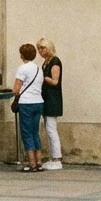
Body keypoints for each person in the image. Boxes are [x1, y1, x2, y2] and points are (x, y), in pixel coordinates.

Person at [13, 43, 46, 172]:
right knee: (35, 131)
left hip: (26, 102)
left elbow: (16, 89)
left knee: (26, 132)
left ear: (22, 55)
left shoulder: (23, 68)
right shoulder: (39, 68)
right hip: (39, 101)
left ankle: (31, 163)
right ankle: (39, 162)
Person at [34, 38, 64, 170]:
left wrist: (43, 78)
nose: (41, 51)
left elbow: (55, 81)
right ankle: (53, 157)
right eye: (39, 48)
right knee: (48, 128)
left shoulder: (55, 61)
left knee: (51, 129)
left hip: (52, 99)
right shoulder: (46, 63)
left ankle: (57, 158)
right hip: (45, 98)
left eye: (43, 48)